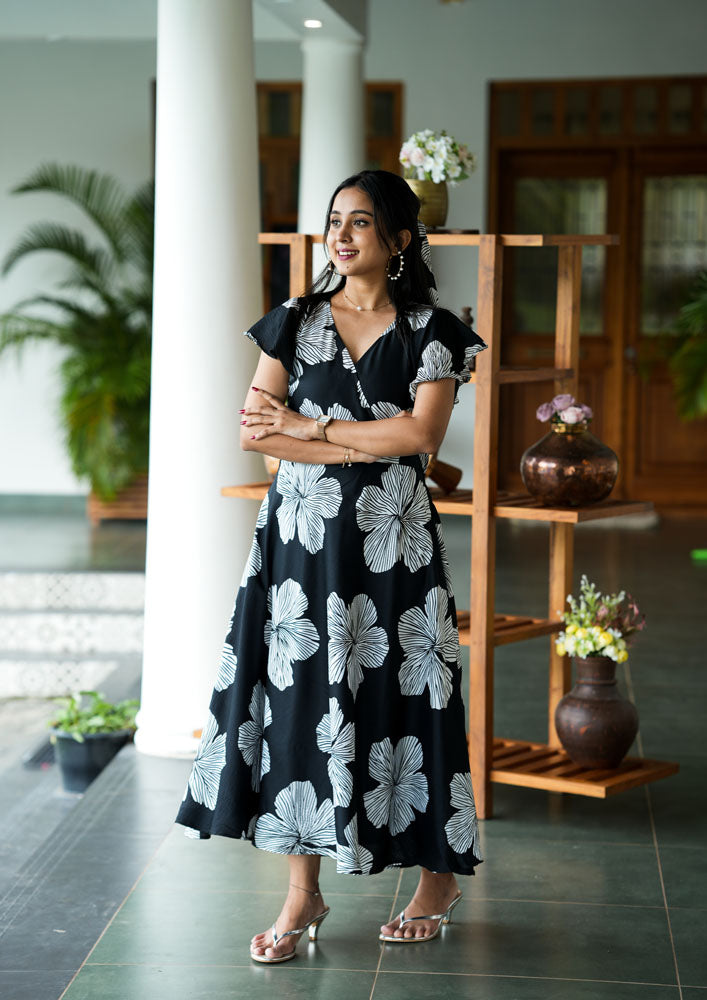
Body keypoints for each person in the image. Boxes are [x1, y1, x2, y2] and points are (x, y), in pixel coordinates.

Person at [176, 169, 486, 963]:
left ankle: (436, 879)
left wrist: (312, 430)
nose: (340, 236)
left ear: (400, 239)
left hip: (394, 549)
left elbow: (421, 437)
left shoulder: (432, 331)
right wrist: (354, 440)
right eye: (333, 220)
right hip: (300, 547)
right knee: (300, 704)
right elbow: (255, 430)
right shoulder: (293, 322)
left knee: (408, 699)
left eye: (360, 222)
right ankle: (302, 893)